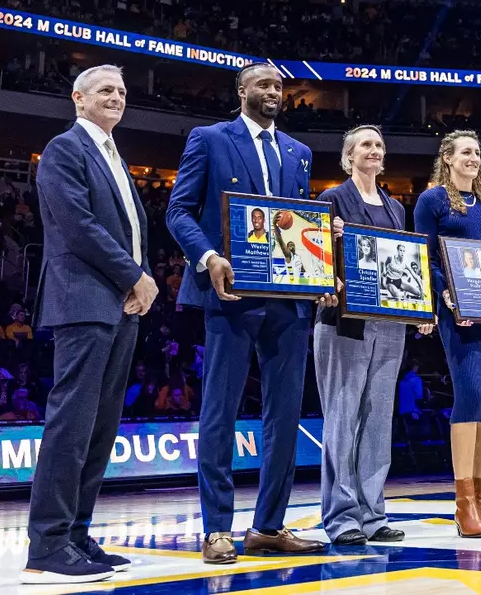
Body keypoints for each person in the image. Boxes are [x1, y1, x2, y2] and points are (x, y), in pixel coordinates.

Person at [165, 62, 330, 565]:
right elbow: (178, 210)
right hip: (231, 293)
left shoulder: (299, 154)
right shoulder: (210, 138)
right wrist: (209, 256)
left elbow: (296, 228)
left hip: (288, 299)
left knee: (283, 415)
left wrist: (320, 269)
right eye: (264, 84)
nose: (274, 91)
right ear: (242, 92)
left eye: (280, 85)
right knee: (221, 409)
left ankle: (268, 527)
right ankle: (217, 529)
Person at [24, 65, 156, 584]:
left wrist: (136, 282)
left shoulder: (113, 155)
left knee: (99, 428)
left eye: (122, 91)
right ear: (78, 98)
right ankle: (48, 544)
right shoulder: (65, 148)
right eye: (105, 90)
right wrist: (135, 275)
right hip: (85, 300)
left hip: (119, 303)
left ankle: (76, 534)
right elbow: (79, 225)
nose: (117, 98)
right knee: (71, 425)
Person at [313, 125, 419, 546]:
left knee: (377, 421)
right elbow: (316, 263)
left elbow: (405, 267)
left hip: (390, 323)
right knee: (342, 420)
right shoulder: (332, 199)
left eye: (379, 145)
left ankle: (373, 513)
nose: (374, 151)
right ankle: (341, 518)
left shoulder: (396, 208)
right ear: (348, 156)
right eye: (365, 146)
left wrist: (418, 308)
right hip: (343, 322)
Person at [414, 130, 481, 539]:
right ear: (447, 158)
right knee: (469, 395)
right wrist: (447, 293)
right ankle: (462, 503)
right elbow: (426, 253)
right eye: (465, 152)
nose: (473, 157)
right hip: (458, 312)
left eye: (477, 152)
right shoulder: (432, 200)